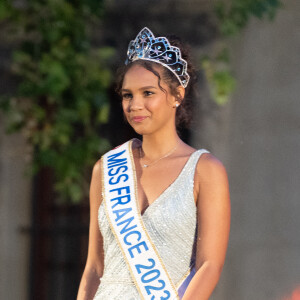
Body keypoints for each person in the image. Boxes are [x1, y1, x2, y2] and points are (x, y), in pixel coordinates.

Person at [77, 27, 230, 300]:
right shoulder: (106, 168)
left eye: (148, 93)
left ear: (177, 95)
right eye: (127, 95)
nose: (135, 105)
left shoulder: (205, 170)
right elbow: (94, 267)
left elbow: (210, 265)